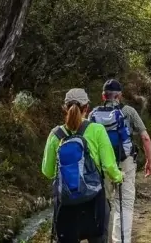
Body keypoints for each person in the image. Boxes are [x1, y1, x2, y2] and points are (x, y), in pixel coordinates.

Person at [41, 88, 123, 243]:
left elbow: (47, 171)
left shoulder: (55, 134)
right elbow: (109, 166)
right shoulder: (97, 130)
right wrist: (119, 176)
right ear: (87, 108)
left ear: (64, 108)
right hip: (94, 202)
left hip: (66, 204)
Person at [89, 79, 151, 243]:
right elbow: (145, 137)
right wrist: (149, 161)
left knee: (106, 203)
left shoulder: (93, 114)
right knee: (124, 203)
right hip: (125, 162)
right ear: (120, 96)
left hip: (103, 165)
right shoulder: (129, 111)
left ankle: (106, 239)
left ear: (104, 95)